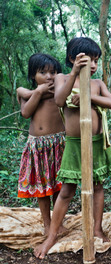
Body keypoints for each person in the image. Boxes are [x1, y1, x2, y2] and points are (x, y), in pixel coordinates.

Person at [33, 37, 111, 259]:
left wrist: (88, 96)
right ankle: (52, 235)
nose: (92, 65)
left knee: (98, 186)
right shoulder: (63, 78)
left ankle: (97, 229)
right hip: (74, 144)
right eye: (88, 60)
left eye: (96, 60)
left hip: (97, 143)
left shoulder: (97, 84)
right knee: (67, 190)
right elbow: (60, 100)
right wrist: (74, 76)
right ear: (72, 59)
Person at [16, 53, 65, 235]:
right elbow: (26, 113)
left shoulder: (58, 92)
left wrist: (40, 92)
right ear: (32, 75)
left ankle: (58, 223)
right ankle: (47, 224)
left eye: (53, 72)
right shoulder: (28, 94)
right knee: (43, 188)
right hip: (38, 146)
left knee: (59, 185)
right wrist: (37, 92)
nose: (49, 76)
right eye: (43, 72)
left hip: (59, 144)